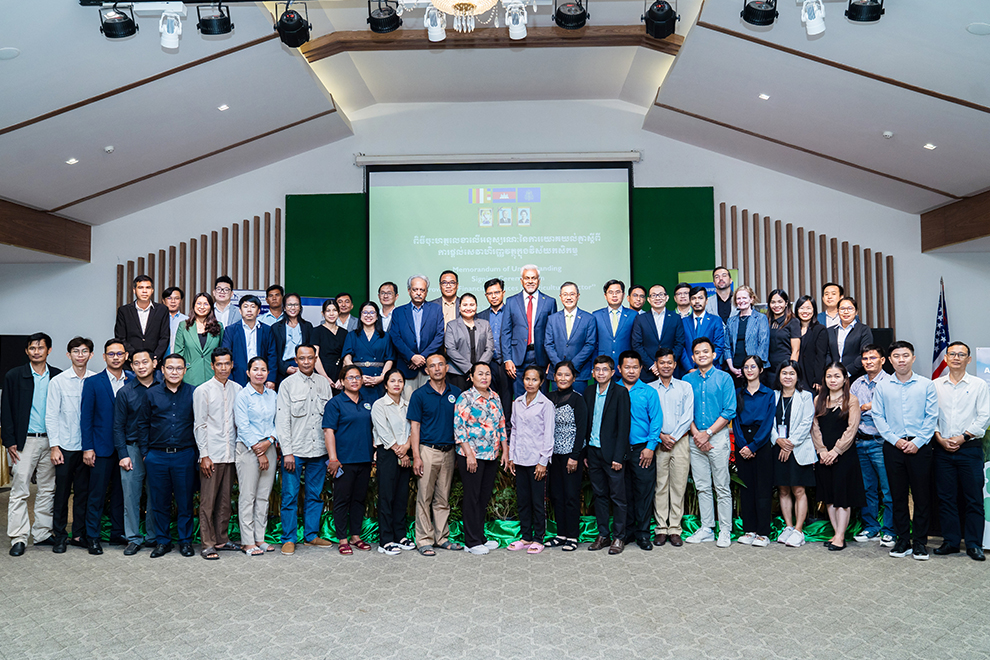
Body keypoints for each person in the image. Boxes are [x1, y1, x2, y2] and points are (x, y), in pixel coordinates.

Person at [872, 341, 939, 561]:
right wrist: (896, 441)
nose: (901, 360)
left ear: (913, 358)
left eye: (905, 355)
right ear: (890, 360)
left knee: (922, 496)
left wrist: (918, 442)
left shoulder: (926, 385)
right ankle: (903, 540)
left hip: (920, 448)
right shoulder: (882, 386)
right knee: (897, 495)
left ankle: (920, 542)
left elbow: (931, 417)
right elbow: (878, 416)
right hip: (893, 447)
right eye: (897, 356)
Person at [4, 333, 61, 556]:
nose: (36, 351)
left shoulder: (57, 376)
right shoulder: (15, 375)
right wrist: (9, 441)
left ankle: (42, 533)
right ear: (27, 351)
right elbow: (6, 410)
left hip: (51, 441)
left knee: (47, 488)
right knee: (20, 490)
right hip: (24, 441)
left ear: (49, 350)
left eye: (40, 347)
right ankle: (18, 537)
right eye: (32, 348)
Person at [932, 341, 990, 561]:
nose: (956, 357)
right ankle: (951, 542)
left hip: (970, 448)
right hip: (942, 448)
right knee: (946, 498)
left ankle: (974, 543)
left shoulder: (978, 385)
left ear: (969, 359)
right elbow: (930, 417)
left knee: (973, 498)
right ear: (945, 358)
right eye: (952, 354)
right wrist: (939, 438)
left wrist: (962, 437)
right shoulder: (935, 385)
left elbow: (984, 416)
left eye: (961, 354)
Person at [137, 354, 197, 558]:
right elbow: (143, 424)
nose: (174, 372)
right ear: (162, 370)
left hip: (184, 455)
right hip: (157, 456)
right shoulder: (151, 394)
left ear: (185, 371)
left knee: (185, 501)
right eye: (170, 368)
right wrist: (146, 453)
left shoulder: (193, 393)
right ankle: (162, 541)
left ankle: (185, 541)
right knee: (160, 502)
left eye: (179, 368)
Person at [275, 344, 333, 555]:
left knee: (315, 495)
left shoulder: (324, 384)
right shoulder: (287, 384)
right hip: (296, 451)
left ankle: (311, 536)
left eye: (310, 358)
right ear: (296, 360)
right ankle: (289, 537)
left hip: (318, 450)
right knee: (290, 495)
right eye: (302, 358)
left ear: (315, 358)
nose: (306, 362)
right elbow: (282, 420)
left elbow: (328, 419)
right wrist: (287, 452)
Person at [407, 354, 463, 556]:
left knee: (443, 498)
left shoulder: (456, 393)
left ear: (447, 368)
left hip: (449, 452)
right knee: (425, 497)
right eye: (432, 366)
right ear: (427, 371)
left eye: (441, 365)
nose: (437, 369)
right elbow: (415, 426)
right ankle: (423, 540)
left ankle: (442, 538)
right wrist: (416, 456)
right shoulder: (419, 395)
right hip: (427, 451)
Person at [683, 337, 736, 548]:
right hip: (694, 438)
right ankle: (706, 528)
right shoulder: (687, 381)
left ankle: (724, 530)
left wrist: (709, 433)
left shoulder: (724, 379)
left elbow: (729, 410)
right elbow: (685, 412)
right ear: (693, 357)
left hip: (718, 437)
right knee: (702, 486)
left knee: (722, 486)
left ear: (714, 355)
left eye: (706, 351)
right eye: (697, 352)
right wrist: (697, 434)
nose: (702, 355)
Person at [192, 347, 242, 560]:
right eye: (219, 364)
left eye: (227, 363)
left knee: (224, 501)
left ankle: (222, 539)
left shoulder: (238, 389)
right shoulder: (202, 390)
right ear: (212, 366)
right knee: (208, 501)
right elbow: (199, 425)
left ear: (232, 365)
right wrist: (204, 455)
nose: (223, 367)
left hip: (231, 454)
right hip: (211, 455)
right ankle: (207, 543)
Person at [48, 337, 96, 554]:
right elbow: (51, 416)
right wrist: (54, 446)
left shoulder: (95, 380)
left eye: (84, 351)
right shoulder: (58, 381)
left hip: (87, 447)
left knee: (83, 494)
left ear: (91, 355)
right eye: (75, 351)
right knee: (62, 494)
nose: (80, 355)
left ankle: (78, 534)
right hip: (65, 447)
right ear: (68, 355)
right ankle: (59, 536)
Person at [454, 362, 508, 555]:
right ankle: (471, 541)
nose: (484, 377)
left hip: (491, 455)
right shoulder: (465, 398)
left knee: (484, 497)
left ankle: (481, 536)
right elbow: (459, 429)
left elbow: (501, 424)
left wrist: (505, 452)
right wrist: (469, 454)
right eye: (480, 374)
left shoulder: (495, 396)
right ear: (471, 376)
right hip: (472, 456)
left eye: (487, 373)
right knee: (472, 496)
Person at [80, 339, 128, 555]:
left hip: (125, 448)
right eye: (111, 354)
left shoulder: (132, 381)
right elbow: (86, 418)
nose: (115, 357)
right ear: (104, 357)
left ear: (126, 356)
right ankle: (93, 537)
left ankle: (118, 533)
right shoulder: (93, 382)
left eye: (119, 354)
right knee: (97, 494)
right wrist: (88, 447)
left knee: (120, 493)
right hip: (101, 447)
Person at [811, 362, 865, 552]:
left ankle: (841, 536)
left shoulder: (852, 400)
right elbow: (814, 428)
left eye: (837, 376)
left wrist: (835, 451)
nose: (832, 380)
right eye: (829, 376)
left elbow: (852, 429)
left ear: (844, 379)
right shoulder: (818, 399)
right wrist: (823, 451)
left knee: (842, 497)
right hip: (824, 456)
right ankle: (836, 533)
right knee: (829, 497)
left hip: (844, 456)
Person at [323, 365, 375, 555]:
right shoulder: (335, 403)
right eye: (350, 377)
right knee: (342, 500)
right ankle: (342, 539)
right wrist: (333, 458)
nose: (354, 380)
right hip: (343, 460)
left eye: (358, 377)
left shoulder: (368, 401)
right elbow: (329, 431)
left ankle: (355, 536)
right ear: (342, 381)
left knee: (359, 499)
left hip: (364, 458)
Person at [584, 356, 631, 555]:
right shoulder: (588, 392)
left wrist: (619, 456)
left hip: (612, 454)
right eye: (597, 369)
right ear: (593, 373)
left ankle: (619, 537)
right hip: (593, 452)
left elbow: (623, 427)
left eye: (605, 369)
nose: (601, 373)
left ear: (613, 372)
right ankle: (603, 534)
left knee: (618, 497)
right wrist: (585, 452)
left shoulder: (620, 393)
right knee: (599, 495)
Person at [113, 348, 158, 555]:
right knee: (131, 495)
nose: (141, 366)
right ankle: (133, 537)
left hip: (157, 450)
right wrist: (123, 454)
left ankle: (152, 536)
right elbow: (118, 426)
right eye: (137, 363)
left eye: (145, 362)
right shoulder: (125, 392)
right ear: (132, 366)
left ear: (154, 363)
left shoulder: (164, 387)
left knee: (155, 494)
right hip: (132, 448)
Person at [849, 344, 895, 547]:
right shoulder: (857, 383)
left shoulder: (891, 382)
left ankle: (890, 530)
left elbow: (891, 409)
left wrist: (869, 406)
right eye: (865, 359)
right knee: (867, 488)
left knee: (887, 489)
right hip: (860, 441)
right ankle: (871, 527)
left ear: (882, 360)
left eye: (873, 358)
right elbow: (851, 409)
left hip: (881, 442)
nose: (869, 362)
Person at [506, 366, 555, 554]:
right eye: (527, 379)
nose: (530, 383)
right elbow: (515, 430)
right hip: (520, 459)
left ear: (541, 382)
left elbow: (549, 434)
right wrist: (512, 457)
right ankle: (525, 537)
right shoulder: (517, 402)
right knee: (523, 500)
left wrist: (543, 461)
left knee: (537, 501)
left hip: (537, 461)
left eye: (535, 380)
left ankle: (538, 538)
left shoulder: (546, 404)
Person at [233, 357, 279, 556]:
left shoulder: (273, 395)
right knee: (248, 496)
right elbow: (242, 426)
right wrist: (259, 451)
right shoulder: (243, 396)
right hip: (248, 449)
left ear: (268, 373)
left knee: (263, 496)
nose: (259, 373)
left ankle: (260, 538)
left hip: (269, 446)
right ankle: (247, 541)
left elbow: (280, 420)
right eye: (255, 369)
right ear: (248, 372)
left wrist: (270, 440)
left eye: (263, 370)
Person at [648, 348, 694, 548]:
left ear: (675, 365)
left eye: (669, 362)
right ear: (656, 365)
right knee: (660, 486)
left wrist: (672, 438)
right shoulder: (649, 388)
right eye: (661, 362)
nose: (665, 366)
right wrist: (661, 436)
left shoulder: (685, 387)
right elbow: (647, 417)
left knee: (678, 486)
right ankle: (660, 529)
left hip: (680, 441)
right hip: (657, 442)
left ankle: (675, 528)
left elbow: (688, 415)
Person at [618, 351, 663, 551]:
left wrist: (650, 447)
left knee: (644, 492)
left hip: (642, 449)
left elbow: (656, 420)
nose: (631, 371)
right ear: (619, 369)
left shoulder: (648, 392)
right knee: (622, 493)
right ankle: (626, 533)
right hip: (618, 451)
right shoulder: (613, 390)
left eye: (635, 367)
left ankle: (643, 534)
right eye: (627, 367)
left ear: (641, 368)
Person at [731, 356, 776, 548]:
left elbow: (768, 423)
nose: (749, 370)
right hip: (742, 443)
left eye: (753, 367)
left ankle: (763, 532)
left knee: (763, 489)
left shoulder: (768, 394)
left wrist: (754, 446)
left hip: (761, 442)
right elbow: (736, 421)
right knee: (746, 488)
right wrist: (743, 445)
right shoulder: (738, 393)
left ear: (761, 369)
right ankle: (749, 530)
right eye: (746, 367)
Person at [771, 361, 816, 548]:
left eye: (791, 373)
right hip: (777, 448)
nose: (787, 377)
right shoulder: (772, 396)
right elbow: (768, 422)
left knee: (798, 490)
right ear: (779, 376)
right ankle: (788, 527)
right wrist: (777, 440)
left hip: (797, 449)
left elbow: (807, 422)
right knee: (783, 489)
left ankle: (798, 530)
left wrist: (789, 444)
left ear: (797, 376)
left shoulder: (805, 396)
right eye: (784, 373)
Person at [372, 369, 416, 555]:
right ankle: (386, 540)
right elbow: (384, 432)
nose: (397, 384)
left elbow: (413, 429)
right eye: (392, 381)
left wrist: (407, 448)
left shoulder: (407, 405)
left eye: (400, 381)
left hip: (405, 452)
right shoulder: (379, 405)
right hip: (388, 453)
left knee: (401, 496)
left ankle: (400, 535)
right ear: (385, 384)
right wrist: (401, 452)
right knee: (387, 496)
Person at [545, 361, 588, 552]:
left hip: (571, 455)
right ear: (554, 377)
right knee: (557, 495)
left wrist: (575, 456)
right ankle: (561, 534)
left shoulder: (578, 399)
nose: (562, 378)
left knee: (571, 496)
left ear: (574, 378)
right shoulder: (548, 398)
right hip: (553, 456)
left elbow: (581, 430)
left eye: (567, 375)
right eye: (559, 375)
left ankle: (572, 536)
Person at [501, 265, 558, 396]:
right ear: (521, 280)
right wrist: (507, 359)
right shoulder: (511, 301)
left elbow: (553, 333)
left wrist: (551, 360)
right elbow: (505, 332)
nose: (530, 281)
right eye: (527, 278)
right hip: (517, 358)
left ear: (539, 280)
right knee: (520, 398)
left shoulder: (549, 302)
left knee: (541, 397)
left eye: (534, 278)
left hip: (541, 357)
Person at [389, 275, 445, 398]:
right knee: (408, 405)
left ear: (426, 292)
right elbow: (395, 337)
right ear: (409, 291)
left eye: (422, 290)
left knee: (429, 405)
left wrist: (422, 358)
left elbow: (439, 336)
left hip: (428, 368)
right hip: (407, 367)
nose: (418, 293)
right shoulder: (398, 312)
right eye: (415, 290)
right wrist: (411, 357)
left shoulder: (436, 309)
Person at [544, 282, 596, 394]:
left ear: (578, 296)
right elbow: (548, 344)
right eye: (565, 294)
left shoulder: (589, 318)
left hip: (579, 373)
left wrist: (572, 366)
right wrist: (559, 367)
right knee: (557, 407)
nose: (568, 297)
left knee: (579, 407)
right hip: (556, 374)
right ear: (560, 297)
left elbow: (590, 344)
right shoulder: (552, 319)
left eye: (572, 294)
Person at [631, 284, 686, 384]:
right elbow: (636, 344)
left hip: (671, 371)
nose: (657, 298)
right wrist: (652, 365)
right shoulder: (640, 319)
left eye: (661, 295)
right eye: (654, 295)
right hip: (648, 371)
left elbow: (679, 343)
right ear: (649, 299)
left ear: (667, 297)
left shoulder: (675, 318)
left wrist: (668, 364)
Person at [219, 295, 277, 388]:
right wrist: (228, 378)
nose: (249, 310)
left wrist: (271, 379)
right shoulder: (231, 330)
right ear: (240, 311)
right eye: (245, 307)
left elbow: (272, 356)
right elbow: (226, 357)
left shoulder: (267, 330)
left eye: (253, 307)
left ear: (258, 311)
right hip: (237, 377)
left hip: (261, 377)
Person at [477, 278, 513, 422]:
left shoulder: (512, 312)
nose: (494, 296)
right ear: (486, 295)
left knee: (507, 400)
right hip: (489, 363)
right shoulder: (480, 316)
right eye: (490, 293)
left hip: (507, 363)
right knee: (487, 400)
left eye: (497, 292)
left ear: (503, 293)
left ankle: (507, 434)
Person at [444, 293, 494, 393]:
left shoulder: (485, 324)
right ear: (459, 307)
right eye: (465, 305)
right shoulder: (452, 325)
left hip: (480, 375)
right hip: (457, 374)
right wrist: (470, 369)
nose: (468, 308)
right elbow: (450, 350)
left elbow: (489, 348)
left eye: (472, 305)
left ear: (476, 306)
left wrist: (478, 370)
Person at [114, 275, 170, 363]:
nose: (144, 291)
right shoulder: (124, 311)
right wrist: (135, 357)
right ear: (134, 290)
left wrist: (155, 358)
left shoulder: (162, 310)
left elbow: (164, 337)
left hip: (154, 362)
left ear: (152, 290)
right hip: (131, 362)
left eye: (148, 287)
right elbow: (120, 337)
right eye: (140, 288)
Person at [173, 292, 224, 387]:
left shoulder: (218, 326)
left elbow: (221, 352)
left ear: (211, 307)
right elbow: (178, 352)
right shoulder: (183, 326)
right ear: (194, 305)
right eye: (199, 303)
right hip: (190, 376)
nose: (202, 307)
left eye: (206, 304)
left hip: (212, 376)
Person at [725, 286, 769, 386]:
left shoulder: (761, 318)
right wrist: (732, 367)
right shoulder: (731, 321)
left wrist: (751, 368)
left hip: (755, 369)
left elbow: (763, 344)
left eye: (744, 298)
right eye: (738, 298)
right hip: (735, 370)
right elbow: (727, 347)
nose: (741, 301)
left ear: (751, 299)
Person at [592, 279, 636, 374]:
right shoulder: (596, 315)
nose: (614, 295)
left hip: (625, 367)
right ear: (605, 295)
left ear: (623, 295)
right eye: (611, 292)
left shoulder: (633, 315)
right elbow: (592, 343)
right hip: (602, 367)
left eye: (618, 292)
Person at [680, 286, 728, 373]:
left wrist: (706, 366)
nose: (697, 301)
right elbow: (681, 347)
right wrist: (689, 368)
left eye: (700, 298)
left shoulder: (716, 320)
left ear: (706, 301)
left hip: (711, 370)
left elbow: (719, 346)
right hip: (689, 371)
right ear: (690, 302)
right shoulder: (683, 322)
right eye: (693, 298)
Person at [827, 296, 873, 382]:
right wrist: (832, 371)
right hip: (833, 377)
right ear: (838, 311)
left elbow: (864, 354)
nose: (846, 312)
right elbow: (827, 353)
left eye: (850, 308)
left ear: (856, 312)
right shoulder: (829, 331)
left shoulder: (863, 330)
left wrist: (847, 372)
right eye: (842, 308)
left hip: (856, 376)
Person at [272, 293, 314, 383]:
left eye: (296, 304)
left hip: (304, 367)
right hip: (283, 369)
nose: (293, 308)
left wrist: (303, 367)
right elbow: (273, 353)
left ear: (300, 307)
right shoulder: (276, 328)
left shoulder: (307, 326)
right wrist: (285, 368)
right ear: (284, 307)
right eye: (289, 305)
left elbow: (311, 350)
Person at [794, 295, 828, 393]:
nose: (805, 311)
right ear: (797, 310)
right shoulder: (792, 328)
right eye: (802, 308)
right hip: (795, 375)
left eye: (809, 308)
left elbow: (821, 356)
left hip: (811, 377)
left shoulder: (820, 329)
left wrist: (818, 378)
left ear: (814, 310)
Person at [312, 298, 346, 391]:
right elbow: (315, 356)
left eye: (334, 310)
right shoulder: (316, 331)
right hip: (322, 371)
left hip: (340, 373)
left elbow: (346, 357)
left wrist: (342, 378)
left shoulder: (344, 333)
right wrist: (325, 378)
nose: (331, 314)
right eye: (328, 311)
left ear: (339, 313)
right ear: (323, 313)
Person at [766, 289, 801, 378]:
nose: (776, 305)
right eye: (773, 302)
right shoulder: (766, 321)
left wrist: (790, 370)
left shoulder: (793, 322)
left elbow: (795, 351)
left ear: (786, 303)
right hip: (767, 370)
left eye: (780, 302)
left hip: (785, 370)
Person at [162, 286, 187, 354]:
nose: (173, 301)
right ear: (163, 301)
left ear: (181, 301)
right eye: (169, 298)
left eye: (176, 298)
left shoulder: (187, 320)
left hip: (180, 358)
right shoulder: (158, 319)